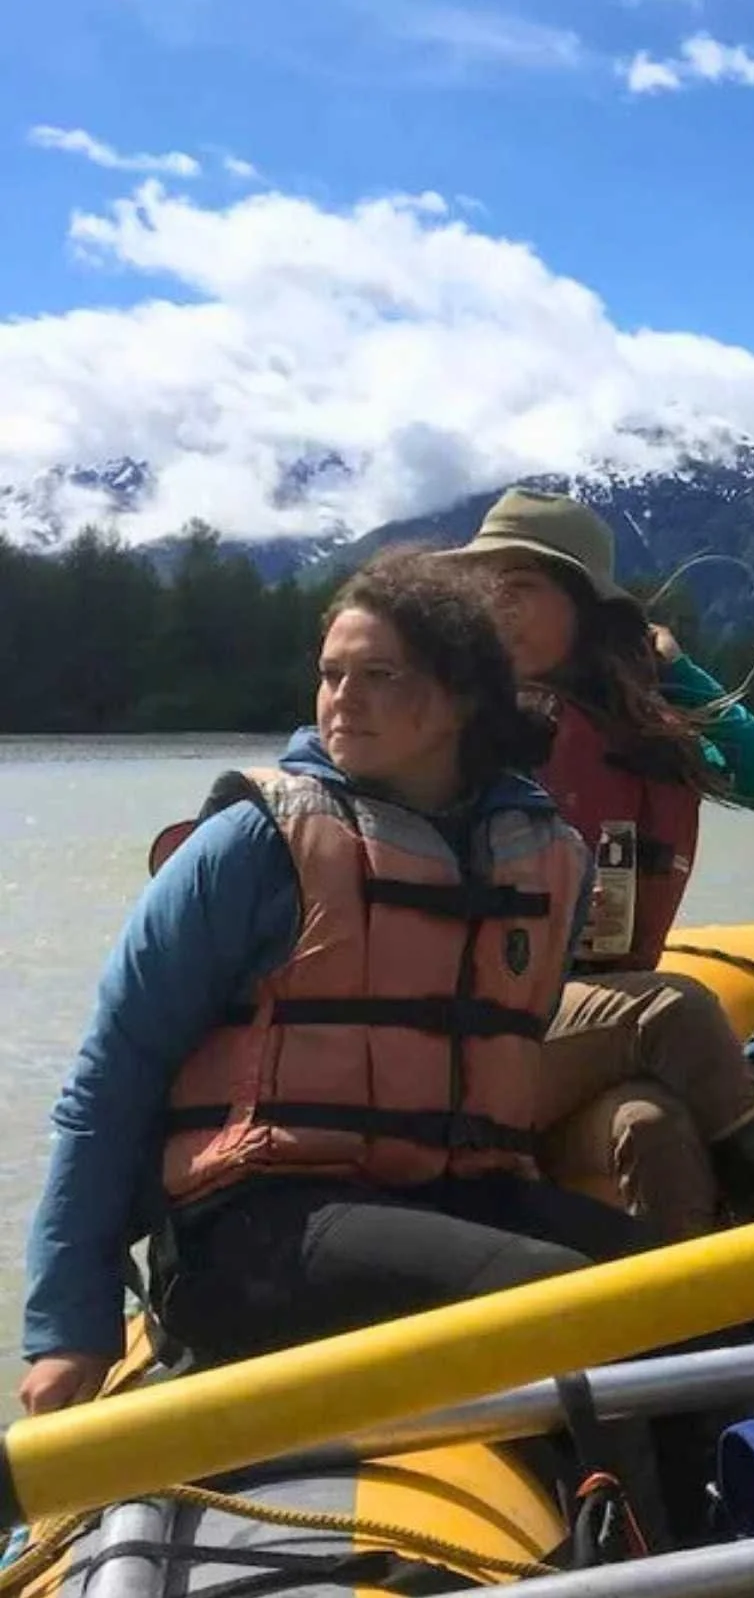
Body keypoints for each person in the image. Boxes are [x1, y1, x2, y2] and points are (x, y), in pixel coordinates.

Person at [18, 549, 633, 1414]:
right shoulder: (253, 845)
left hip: (452, 1198)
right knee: (552, 1293)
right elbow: (112, 1076)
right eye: (332, 674)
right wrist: (69, 1325)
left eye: (380, 675)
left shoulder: (548, 856)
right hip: (255, 1228)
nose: (344, 697)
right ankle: (619, 1497)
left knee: (688, 1283)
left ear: (461, 698)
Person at [441, 488, 754, 1242]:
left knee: (654, 1126)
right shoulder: (450, 719)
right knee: (675, 1008)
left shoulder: (640, 729)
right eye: (482, 587)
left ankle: (718, 1312)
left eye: (519, 586)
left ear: (585, 608)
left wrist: (678, 671)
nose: (494, 605)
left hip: (576, 1040)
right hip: (464, 1048)